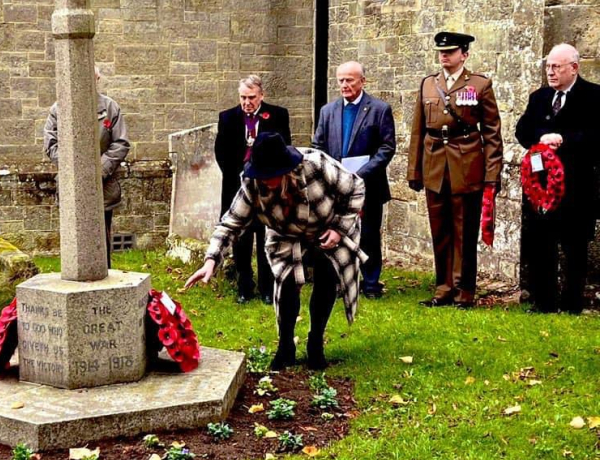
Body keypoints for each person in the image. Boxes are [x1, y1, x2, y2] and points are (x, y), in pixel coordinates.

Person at [186, 132, 366, 371]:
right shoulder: (251, 185)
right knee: (287, 283)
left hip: (329, 227)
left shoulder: (316, 164)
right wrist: (211, 260)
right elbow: (231, 223)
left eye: (272, 174)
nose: (266, 180)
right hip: (286, 234)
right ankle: (286, 347)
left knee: (326, 277)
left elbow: (356, 187)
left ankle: (315, 343)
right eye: (262, 174)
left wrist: (339, 229)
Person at [407, 31, 503, 308]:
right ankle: (443, 289)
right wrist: (415, 170)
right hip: (435, 163)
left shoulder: (479, 85)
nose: (444, 56)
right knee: (439, 229)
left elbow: (492, 133)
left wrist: (492, 174)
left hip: (467, 164)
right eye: (441, 52)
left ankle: (464, 292)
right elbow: (417, 131)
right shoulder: (428, 84)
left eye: (450, 51)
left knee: (464, 230)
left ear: (464, 54)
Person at [515, 43, 600, 314]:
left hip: (578, 185)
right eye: (548, 66)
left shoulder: (594, 96)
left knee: (575, 246)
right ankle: (544, 302)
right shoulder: (539, 98)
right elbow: (522, 130)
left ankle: (573, 303)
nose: (551, 72)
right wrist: (541, 137)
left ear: (573, 68)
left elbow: (596, 136)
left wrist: (563, 139)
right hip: (542, 187)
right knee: (542, 244)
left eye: (557, 67)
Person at [312, 61, 395, 297]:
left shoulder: (379, 109)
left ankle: (370, 283)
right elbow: (318, 146)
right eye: (341, 80)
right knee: (339, 235)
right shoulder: (328, 111)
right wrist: (330, 174)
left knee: (368, 234)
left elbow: (387, 148)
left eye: (350, 80)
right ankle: (342, 281)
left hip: (368, 184)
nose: (344, 85)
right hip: (336, 186)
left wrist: (361, 173)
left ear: (362, 81)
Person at [215, 75, 291, 304]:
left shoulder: (277, 115)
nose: (247, 102)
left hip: (268, 188)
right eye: (243, 97)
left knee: (267, 236)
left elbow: (284, 147)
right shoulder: (228, 118)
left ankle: (267, 288)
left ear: (261, 96)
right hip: (238, 187)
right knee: (241, 238)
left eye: (251, 98)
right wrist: (240, 176)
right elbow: (221, 153)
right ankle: (244, 286)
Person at [43, 67, 129, 268]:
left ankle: (102, 278)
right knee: (74, 238)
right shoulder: (58, 109)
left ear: (97, 79)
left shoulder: (109, 107)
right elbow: (51, 144)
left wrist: (97, 170)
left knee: (100, 238)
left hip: (102, 186)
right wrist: (77, 169)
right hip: (72, 186)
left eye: (93, 78)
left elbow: (121, 142)